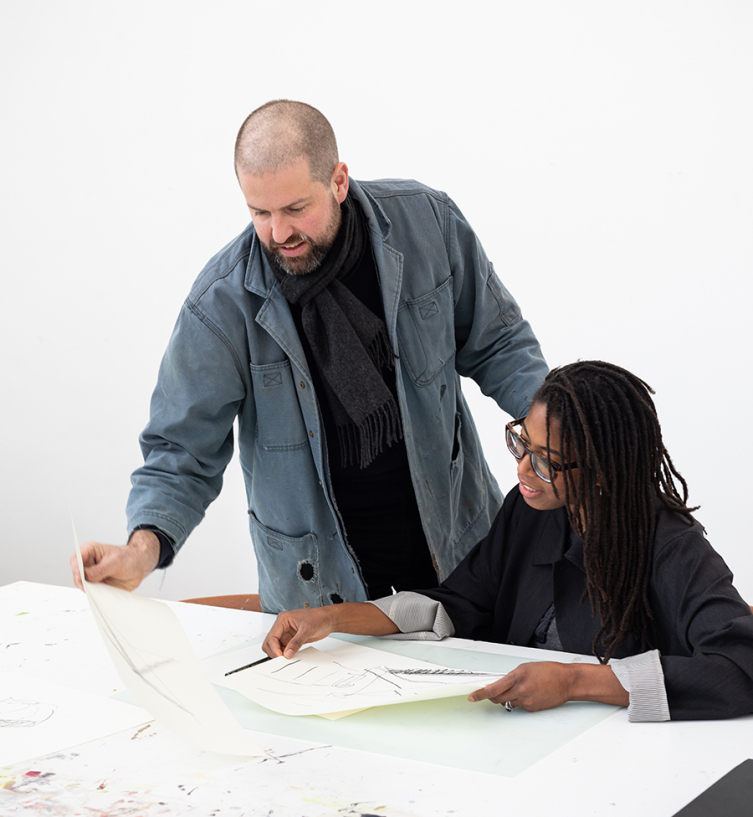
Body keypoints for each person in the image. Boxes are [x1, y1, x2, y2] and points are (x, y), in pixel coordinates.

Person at [71, 100, 547, 611]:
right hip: (321, 598)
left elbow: (499, 343)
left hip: (459, 556)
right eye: (260, 212)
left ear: (338, 181)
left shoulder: (428, 223)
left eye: (296, 208)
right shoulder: (220, 305)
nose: (279, 233)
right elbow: (180, 452)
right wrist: (142, 550)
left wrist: (565, 434)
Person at [261, 361, 753, 721]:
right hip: (518, 736)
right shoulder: (531, 507)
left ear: (602, 469)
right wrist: (332, 618)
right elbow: (458, 602)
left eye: (545, 460)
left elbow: (738, 665)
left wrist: (577, 681)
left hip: (610, 753)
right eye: (522, 443)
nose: (521, 469)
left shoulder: (670, 544)